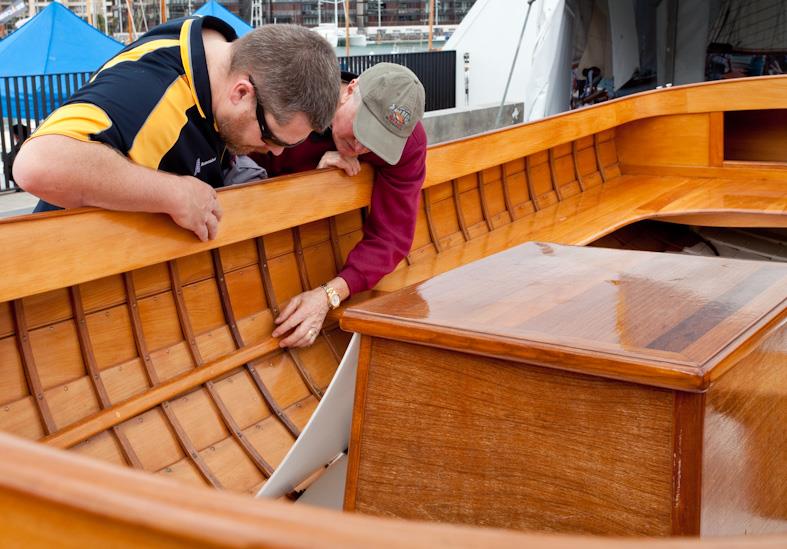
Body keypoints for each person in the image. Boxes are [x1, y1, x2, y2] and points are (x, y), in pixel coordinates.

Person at [12, 17, 339, 242]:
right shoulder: (147, 90)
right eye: (271, 138)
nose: (277, 152)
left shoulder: (224, 58)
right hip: (66, 262)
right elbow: (37, 164)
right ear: (241, 92)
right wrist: (173, 194)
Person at [255, 63, 427, 348]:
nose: (360, 148)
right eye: (362, 129)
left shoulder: (408, 145)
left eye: (376, 142)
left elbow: (392, 237)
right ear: (350, 89)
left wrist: (328, 295)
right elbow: (241, 167)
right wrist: (311, 176)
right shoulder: (291, 97)